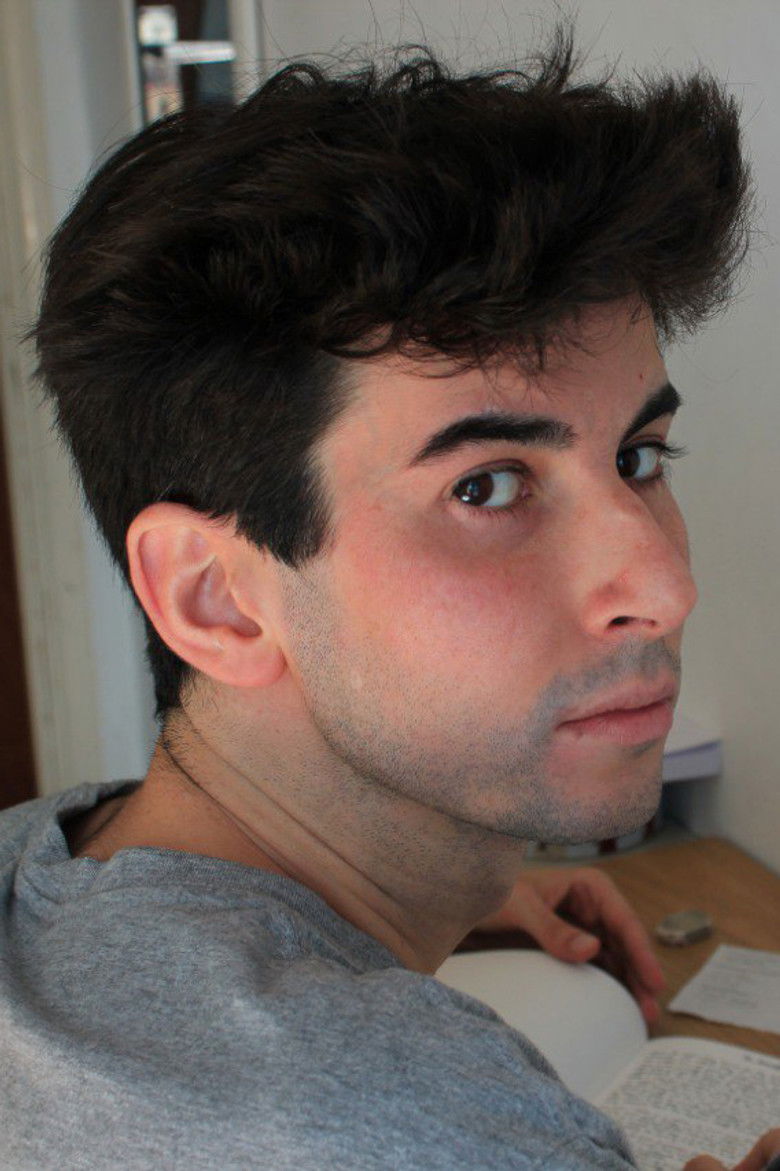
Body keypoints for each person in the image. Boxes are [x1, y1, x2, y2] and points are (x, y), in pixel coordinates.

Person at [1, 28, 775, 1170]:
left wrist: (435, 889)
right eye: (488, 486)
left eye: (639, 457)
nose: (664, 586)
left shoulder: (39, 865)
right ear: (215, 598)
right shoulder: (407, 1127)